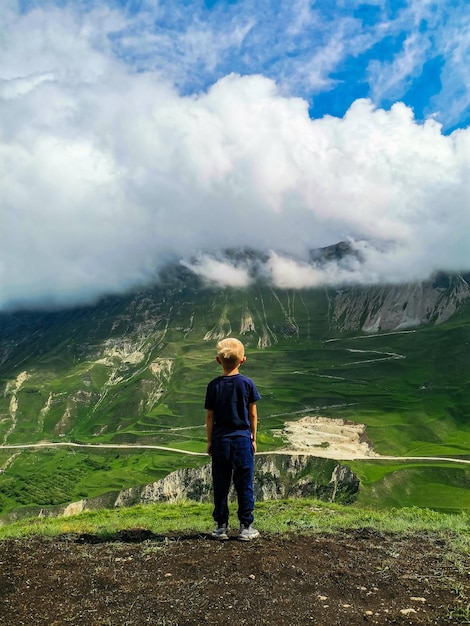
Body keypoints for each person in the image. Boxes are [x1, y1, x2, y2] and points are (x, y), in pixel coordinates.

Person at [205, 337, 261, 541]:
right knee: (244, 483)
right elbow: (252, 414)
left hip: (220, 441)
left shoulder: (213, 386)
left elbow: (210, 416)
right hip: (242, 440)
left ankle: (221, 526)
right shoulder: (247, 384)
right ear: (243, 360)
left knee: (221, 484)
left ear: (218, 361)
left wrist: (210, 441)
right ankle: (246, 526)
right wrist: (253, 438)